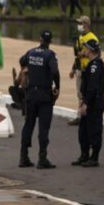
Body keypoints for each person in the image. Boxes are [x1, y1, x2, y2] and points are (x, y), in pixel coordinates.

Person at [19, 30, 60, 169]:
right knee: (43, 128)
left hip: (31, 94)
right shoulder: (50, 55)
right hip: (44, 95)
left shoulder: (31, 52)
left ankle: (23, 157)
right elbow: (54, 71)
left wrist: (27, 71)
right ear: (50, 42)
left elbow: (21, 61)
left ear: (40, 39)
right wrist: (57, 86)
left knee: (28, 125)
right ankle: (42, 159)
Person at [71, 40, 104, 167]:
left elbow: (93, 87)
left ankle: (94, 157)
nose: (83, 51)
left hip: (94, 102)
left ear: (90, 50)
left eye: (85, 49)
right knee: (83, 131)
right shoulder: (91, 64)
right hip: (88, 100)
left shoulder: (95, 66)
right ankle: (84, 154)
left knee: (94, 130)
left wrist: (85, 103)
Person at [68, 16, 99, 125]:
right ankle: (80, 115)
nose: (79, 25)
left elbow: (96, 54)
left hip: (88, 69)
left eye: (81, 23)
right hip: (80, 69)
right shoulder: (80, 37)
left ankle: (85, 115)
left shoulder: (92, 38)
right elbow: (77, 55)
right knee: (80, 93)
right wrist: (73, 68)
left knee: (87, 93)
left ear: (87, 24)